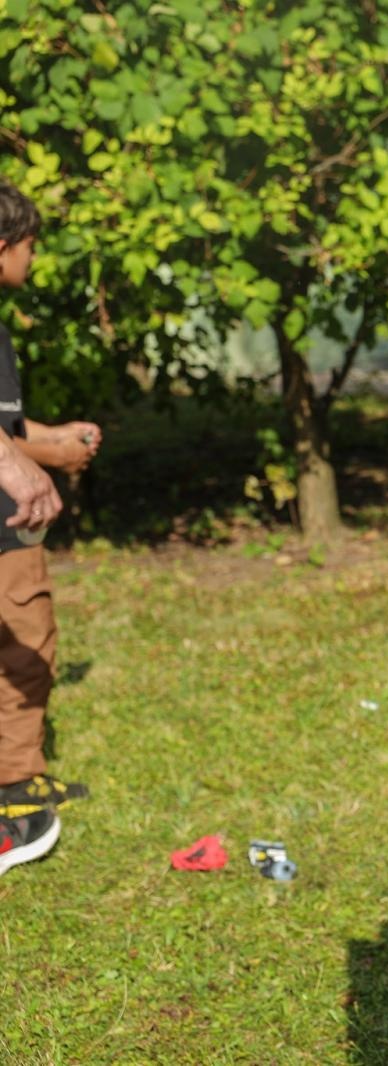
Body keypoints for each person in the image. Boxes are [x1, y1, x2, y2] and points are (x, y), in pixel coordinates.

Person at [0, 181, 99, 874]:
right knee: (26, 643)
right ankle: (15, 789)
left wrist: (53, 444)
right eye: (30, 245)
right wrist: (30, 467)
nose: (33, 259)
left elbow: (5, 431)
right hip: (7, 530)